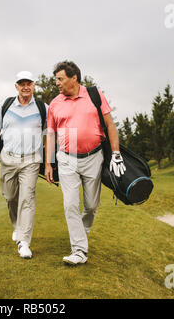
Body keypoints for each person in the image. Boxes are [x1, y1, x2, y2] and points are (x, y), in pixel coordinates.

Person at [44, 61, 126, 265]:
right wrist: (48, 163)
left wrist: (116, 154)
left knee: (91, 206)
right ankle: (79, 250)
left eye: (60, 79)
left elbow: (110, 125)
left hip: (93, 157)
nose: (57, 83)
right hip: (66, 159)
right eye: (56, 79)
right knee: (70, 204)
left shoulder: (94, 95)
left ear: (74, 78)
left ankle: (80, 233)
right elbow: (51, 135)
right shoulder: (55, 103)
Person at [0, 71, 48, 259]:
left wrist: (48, 161)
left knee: (27, 199)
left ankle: (24, 242)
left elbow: (49, 134)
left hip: (31, 160)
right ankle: (16, 226)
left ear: (34, 85)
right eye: (21, 83)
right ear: (16, 86)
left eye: (28, 83)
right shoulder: (5, 105)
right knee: (10, 196)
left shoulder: (42, 107)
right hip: (8, 159)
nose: (25, 86)